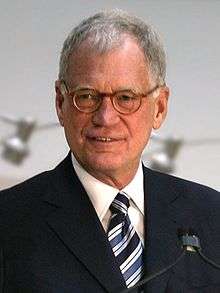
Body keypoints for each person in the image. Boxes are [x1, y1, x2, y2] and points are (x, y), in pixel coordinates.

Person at [0, 10, 219, 293]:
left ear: (160, 107)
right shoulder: (8, 221)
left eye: (126, 98)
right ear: (60, 102)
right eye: (87, 97)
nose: (105, 117)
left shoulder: (211, 216)